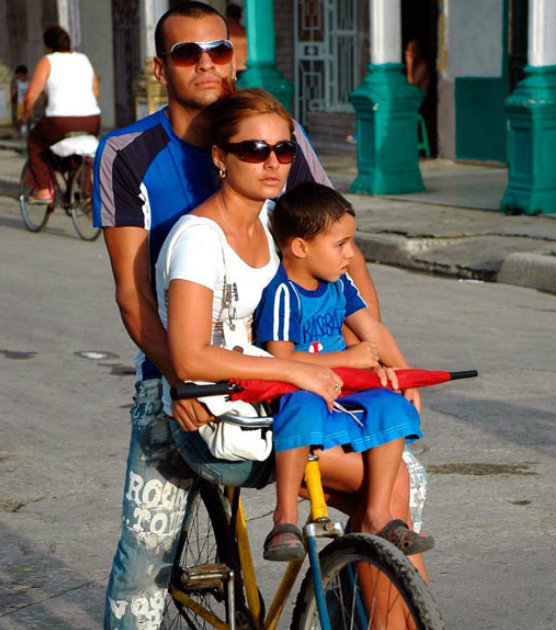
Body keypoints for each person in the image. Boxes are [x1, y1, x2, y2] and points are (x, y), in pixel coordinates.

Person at [92, 4, 391, 628]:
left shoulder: (281, 139)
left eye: (219, 50)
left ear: (236, 57)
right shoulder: (128, 153)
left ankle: (366, 604)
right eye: (187, 53)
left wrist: (376, 345)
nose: (207, 64)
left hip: (280, 373)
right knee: (146, 556)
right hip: (183, 377)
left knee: (392, 483)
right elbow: (133, 294)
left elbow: (339, 247)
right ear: (159, 66)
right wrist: (182, 380)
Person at [254, 181, 431, 562]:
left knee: (390, 405)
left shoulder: (339, 285)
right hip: (301, 388)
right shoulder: (285, 293)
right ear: (300, 247)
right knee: (301, 407)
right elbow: (280, 359)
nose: (350, 254)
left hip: (341, 387)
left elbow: (372, 331)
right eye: (340, 244)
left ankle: (380, 513)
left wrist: (403, 372)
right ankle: (285, 515)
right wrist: (348, 360)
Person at [21, 26, 101, 202]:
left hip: (60, 121)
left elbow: (31, 95)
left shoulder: (48, 60)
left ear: (49, 47)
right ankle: (87, 193)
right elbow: (95, 91)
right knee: (81, 150)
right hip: (91, 120)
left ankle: (43, 190)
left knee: (35, 142)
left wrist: (26, 113)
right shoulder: (83, 59)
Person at [226, 3, 248, 73]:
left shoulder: (225, 32)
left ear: (227, 16)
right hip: (246, 68)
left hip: (232, 69)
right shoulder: (246, 32)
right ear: (240, 16)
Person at [9, 64, 28, 129]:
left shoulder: (29, 82)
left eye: (19, 75)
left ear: (22, 74)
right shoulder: (18, 82)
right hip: (20, 102)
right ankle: (23, 126)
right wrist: (11, 97)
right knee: (20, 116)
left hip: (27, 102)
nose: (18, 76)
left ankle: (29, 125)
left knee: (29, 115)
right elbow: (15, 90)